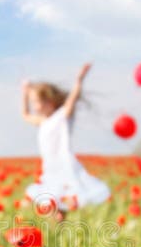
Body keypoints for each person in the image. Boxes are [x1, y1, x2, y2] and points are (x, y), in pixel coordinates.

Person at [21, 63, 110, 213]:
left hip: (64, 165)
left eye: (36, 102)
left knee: (58, 201)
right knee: (54, 204)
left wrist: (79, 80)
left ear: (49, 102)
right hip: (50, 167)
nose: (35, 107)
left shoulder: (61, 117)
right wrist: (24, 92)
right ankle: (59, 231)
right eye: (33, 103)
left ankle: (58, 230)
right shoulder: (42, 121)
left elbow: (71, 100)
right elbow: (25, 114)